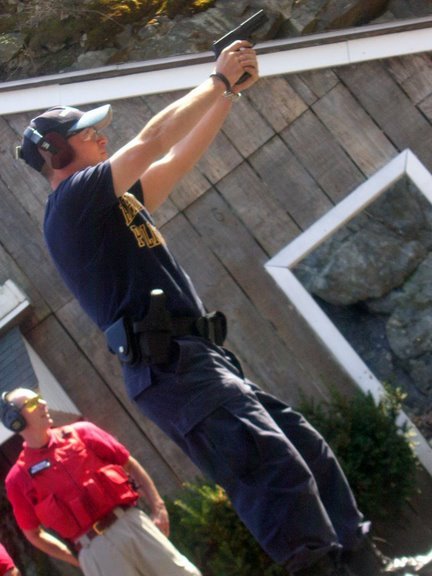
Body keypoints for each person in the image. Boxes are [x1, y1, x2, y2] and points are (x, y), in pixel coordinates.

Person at [15, 40, 388, 576]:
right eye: (87, 131)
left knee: (303, 448)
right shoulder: (72, 203)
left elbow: (174, 158)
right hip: (169, 368)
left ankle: (363, 562)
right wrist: (216, 80)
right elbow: (152, 140)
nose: (101, 136)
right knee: (272, 471)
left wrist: (227, 97)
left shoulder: (112, 204)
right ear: (54, 151)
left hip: (195, 358)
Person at [2, 388, 201, 576]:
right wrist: (80, 559)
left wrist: (158, 507)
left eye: (40, 398)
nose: (43, 404)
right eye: (33, 403)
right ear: (15, 420)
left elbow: (129, 464)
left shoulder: (82, 432)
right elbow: (33, 534)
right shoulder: (18, 478)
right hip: (94, 551)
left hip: (132, 524)